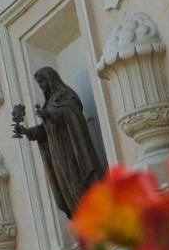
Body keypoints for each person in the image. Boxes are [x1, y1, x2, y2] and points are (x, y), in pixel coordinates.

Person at [12, 66, 106, 218]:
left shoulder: (65, 95)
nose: (41, 87)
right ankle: (83, 222)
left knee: (78, 184)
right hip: (58, 156)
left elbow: (72, 112)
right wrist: (27, 131)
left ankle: (93, 219)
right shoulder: (49, 102)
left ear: (50, 80)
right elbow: (45, 130)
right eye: (39, 84)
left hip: (72, 151)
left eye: (42, 82)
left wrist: (49, 114)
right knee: (65, 189)